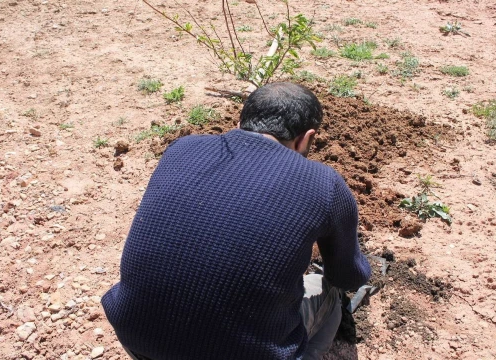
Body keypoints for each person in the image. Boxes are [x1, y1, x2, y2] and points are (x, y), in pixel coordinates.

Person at [102, 82, 372, 360]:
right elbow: (346, 276)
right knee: (327, 291)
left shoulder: (182, 148)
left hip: (138, 340)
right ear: (307, 138)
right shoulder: (324, 183)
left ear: (241, 121)